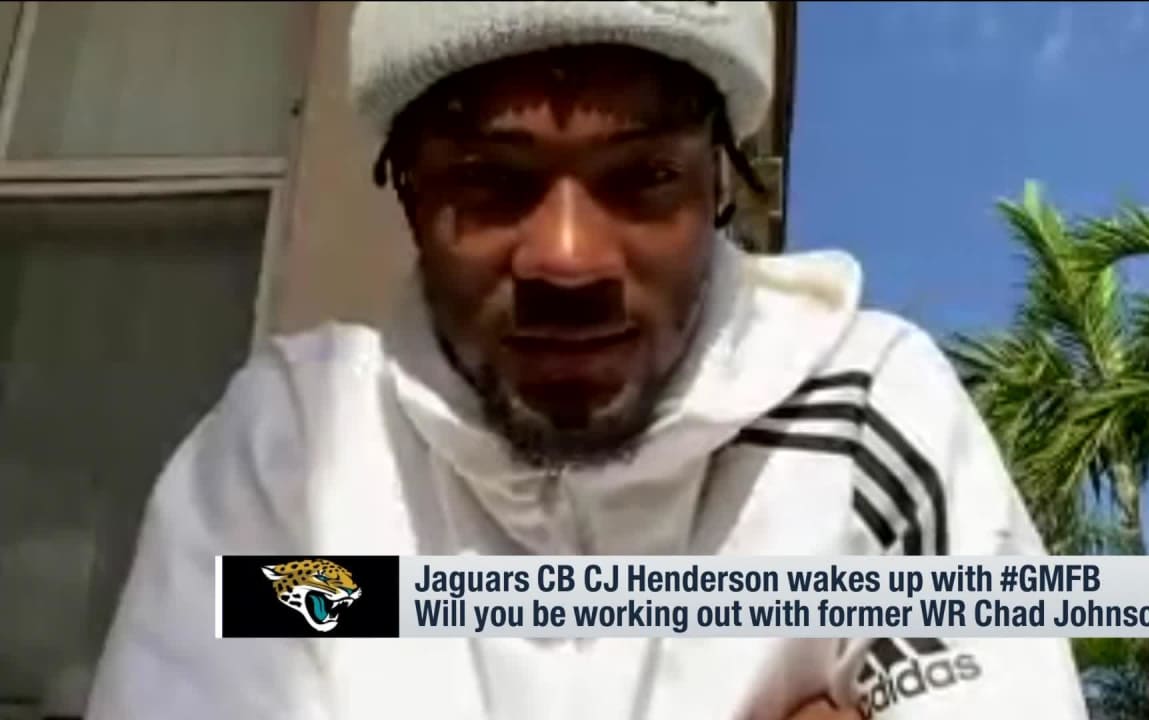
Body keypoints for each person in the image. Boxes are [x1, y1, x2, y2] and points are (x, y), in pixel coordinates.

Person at [87, 2, 1088, 719]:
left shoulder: (867, 417)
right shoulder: (294, 460)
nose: (568, 258)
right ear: (407, 193)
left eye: (643, 177)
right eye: (489, 180)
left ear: (718, 186)